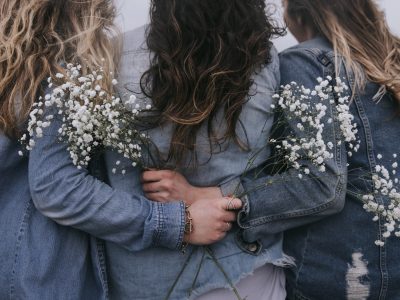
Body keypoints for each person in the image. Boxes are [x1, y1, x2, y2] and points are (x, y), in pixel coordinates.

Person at [156, 0, 400, 298]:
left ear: (299, 12)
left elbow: (321, 184)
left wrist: (219, 196)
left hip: (336, 276)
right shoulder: (391, 63)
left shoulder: (307, 62)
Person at [0, 0, 237, 298]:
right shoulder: (64, 62)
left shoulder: (18, 61)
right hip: (39, 282)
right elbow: (55, 185)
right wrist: (181, 223)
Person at [102, 0, 289, 299]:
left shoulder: (112, 54)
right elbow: (283, 167)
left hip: (148, 277)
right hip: (243, 271)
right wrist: (227, 192)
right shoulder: (265, 59)